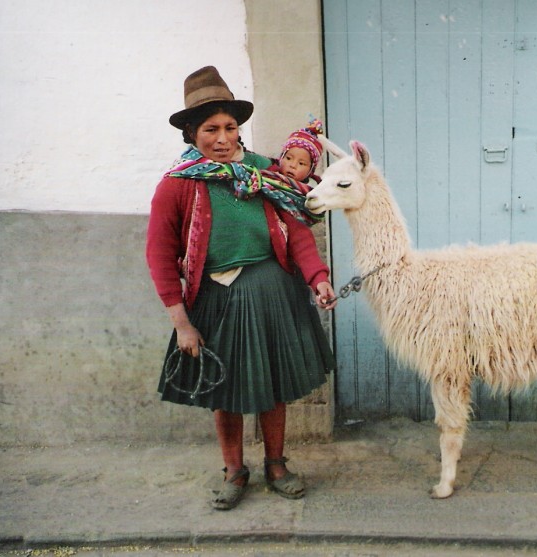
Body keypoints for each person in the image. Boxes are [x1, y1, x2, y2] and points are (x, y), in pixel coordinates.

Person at [146, 66, 337, 511]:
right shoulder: (176, 187)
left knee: (272, 385)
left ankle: (276, 464)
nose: (223, 137)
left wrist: (319, 277)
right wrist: (181, 324)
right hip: (215, 297)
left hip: (272, 290)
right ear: (191, 134)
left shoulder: (267, 173)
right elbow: (159, 257)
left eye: (230, 127)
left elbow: (299, 232)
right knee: (225, 390)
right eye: (211, 128)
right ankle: (234, 469)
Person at [268, 118, 325, 185]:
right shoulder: (269, 177)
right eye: (288, 158)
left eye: (301, 163)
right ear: (281, 157)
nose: (293, 165)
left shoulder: (314, 189)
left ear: (311, 170)